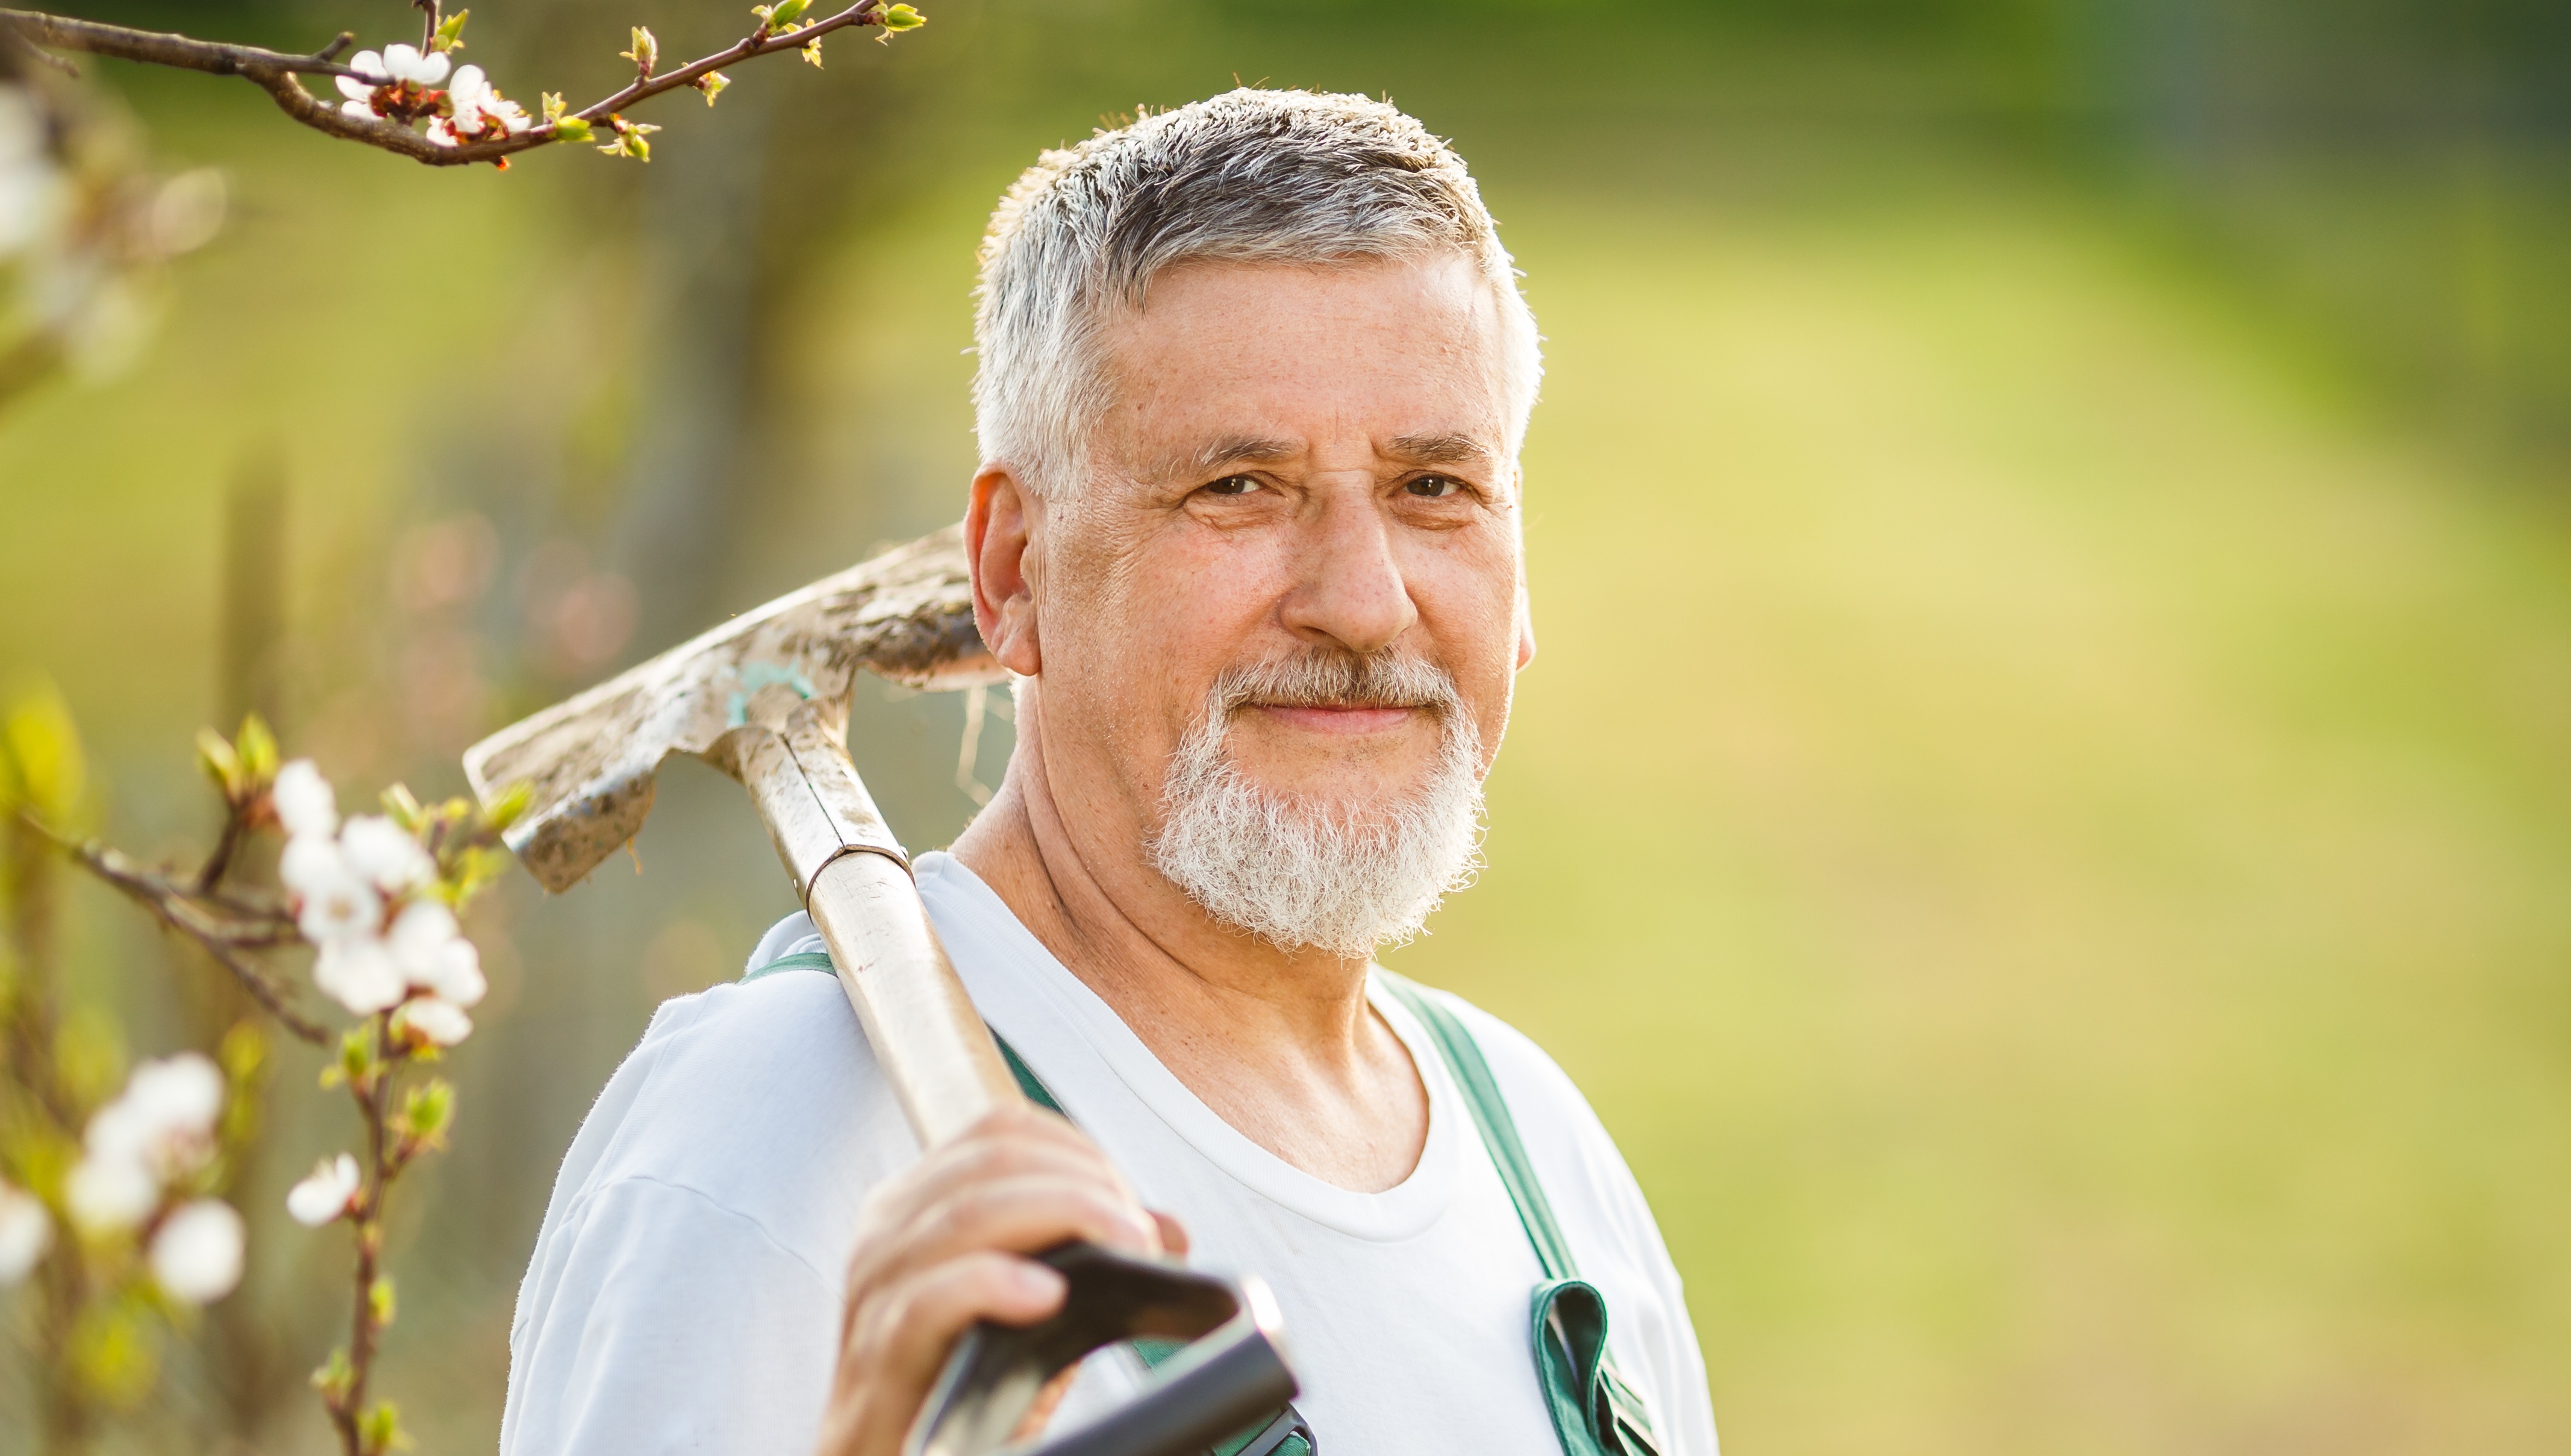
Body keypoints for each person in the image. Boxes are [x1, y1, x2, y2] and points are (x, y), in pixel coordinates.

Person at [498, 89, 1716, 1456]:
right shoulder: (781, 1131)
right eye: (1238, 488)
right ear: (1014, 570)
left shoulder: (1538, 1156)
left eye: (1434, 487)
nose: (1362, 604)